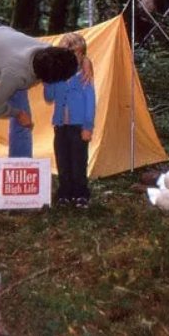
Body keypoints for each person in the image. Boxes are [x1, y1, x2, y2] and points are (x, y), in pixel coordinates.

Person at [0, 26, 79, 157]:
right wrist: (16, 113)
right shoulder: (15, 75)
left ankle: (21, 167)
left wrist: (86, 64)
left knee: (25, 120)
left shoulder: (51, 54)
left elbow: (50, 95)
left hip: (2, 47)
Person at [44, 33, 96, 209]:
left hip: (78, 126)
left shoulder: (84, 77)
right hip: (60, 126)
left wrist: (88, 126)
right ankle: (64, 193)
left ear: (81, 55)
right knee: (63, 160)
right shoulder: (57, 77)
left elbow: (90, 102)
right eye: (66, 52)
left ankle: (81, 193)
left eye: (75, 53)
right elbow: (49, 98)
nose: (71, 57)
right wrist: (48, 79)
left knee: (79, 160)